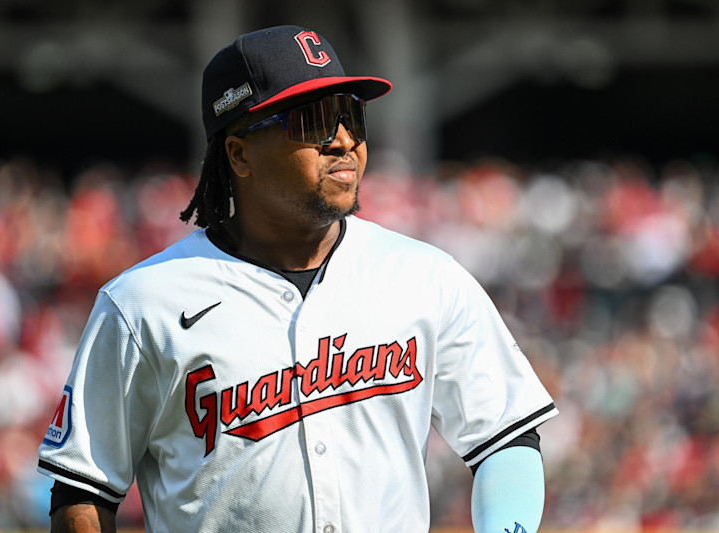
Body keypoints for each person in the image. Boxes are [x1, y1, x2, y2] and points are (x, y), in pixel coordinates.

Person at [37, 25, 558, 533]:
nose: (344, 141)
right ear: (239, 154)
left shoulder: (424, 276)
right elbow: (82, 489)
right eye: (312, 122)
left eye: (351, 117)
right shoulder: (144, 303)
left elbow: (505, 438)